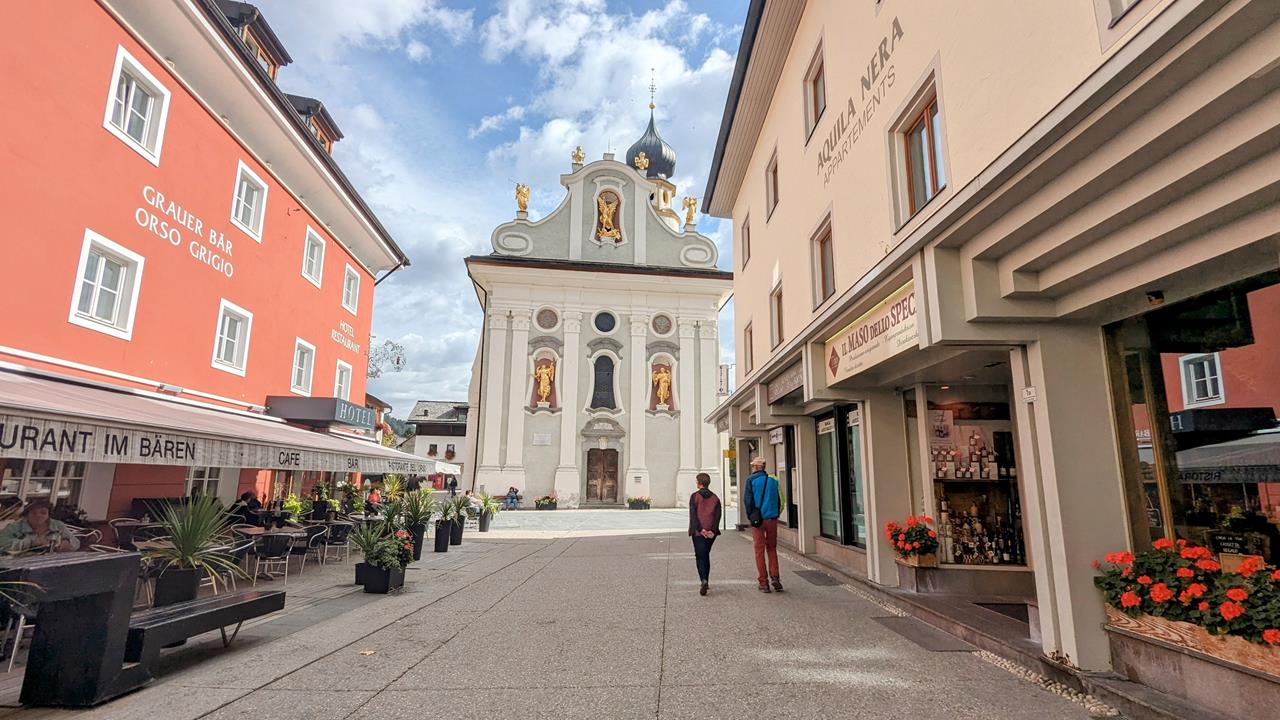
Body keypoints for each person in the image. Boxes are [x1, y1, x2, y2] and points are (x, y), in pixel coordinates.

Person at [742, 457, 783, 593]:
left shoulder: (751, 480)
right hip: (772, 518)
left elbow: (747, 501)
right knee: (772, 548)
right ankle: (775, 577)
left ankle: (764, 583)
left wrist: (751, 517)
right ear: (764, 467)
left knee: (759, 550)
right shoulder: (773, 480)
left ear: (755, 467)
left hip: (758, 520)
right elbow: (779, 499)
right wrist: (776, 514)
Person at [0, 499, 80, 554]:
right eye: (34, 513)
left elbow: (76, 543)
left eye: (43, 513)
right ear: (27, 514)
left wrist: (67, 544)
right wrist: (33, 542)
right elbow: (2, 543)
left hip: (49, 564)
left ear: (49, 514)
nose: (38, 516)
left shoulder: (57, 525)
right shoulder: (15, 527)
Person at [688, 473, 722, 596]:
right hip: (711, 533)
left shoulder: (694, 496)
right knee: (706, 554)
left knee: (700, 556)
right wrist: (712, 530)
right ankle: (706, 579)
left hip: (698, 532)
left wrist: (700, 529)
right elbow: (718, 516)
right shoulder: (715, 498)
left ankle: (703, 580)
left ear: (699, 483)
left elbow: (693, 515)